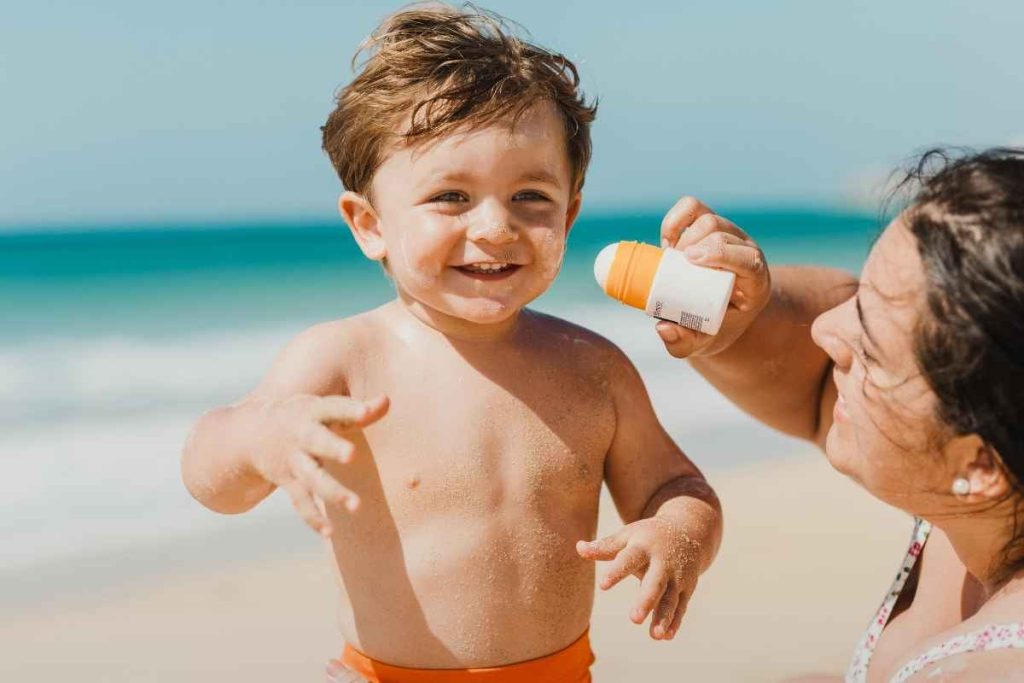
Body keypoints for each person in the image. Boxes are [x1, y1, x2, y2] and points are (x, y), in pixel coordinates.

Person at [180, 5, 729, 682]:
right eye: (451, 196)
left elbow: (678, 486)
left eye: (530, 195)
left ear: (571, 211)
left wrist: (676, 534)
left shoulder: (595, 370)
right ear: (369, 223)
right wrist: (260, 436)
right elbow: (210, 477)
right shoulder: (344, 361)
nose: (496, 226)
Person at [655, 148, 1024, 681]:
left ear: (980, 467)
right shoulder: (976, 497)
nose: (826, 330)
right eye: (863, 291)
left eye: (869, 348)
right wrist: (746, 311)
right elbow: (812, 387)